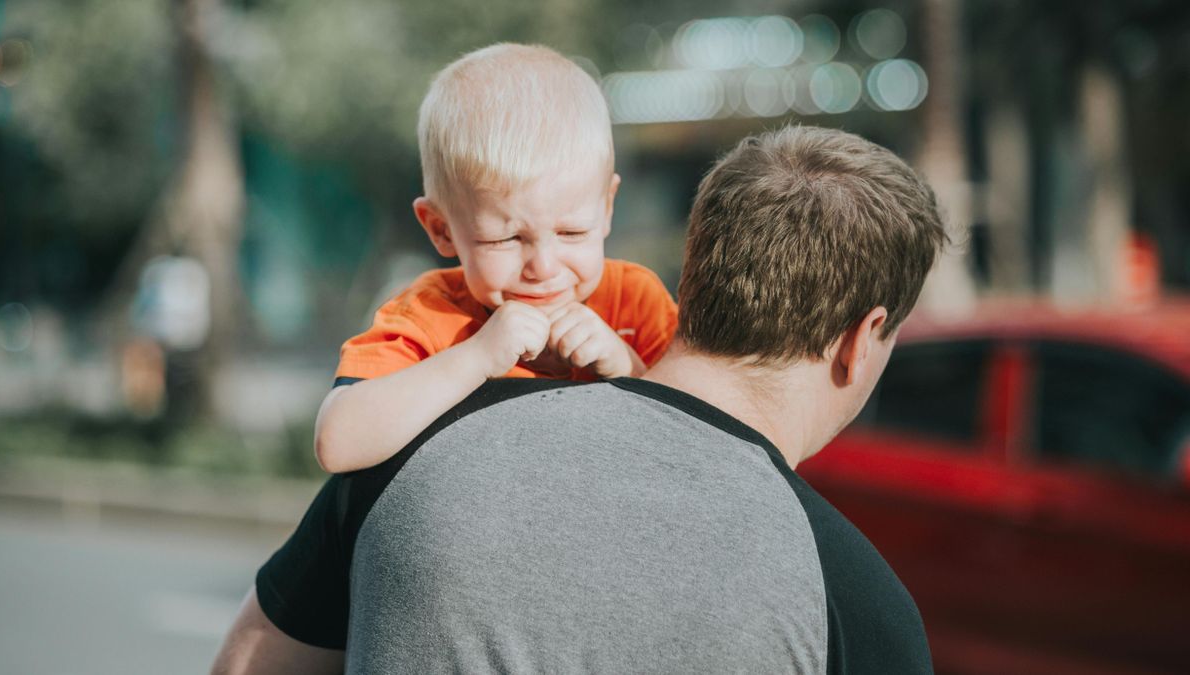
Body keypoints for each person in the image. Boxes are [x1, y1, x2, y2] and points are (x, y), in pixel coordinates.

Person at [213, 124, 947, 674]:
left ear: (692, 275)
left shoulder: (419, 446)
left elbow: (247, 663)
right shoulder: (858, 604)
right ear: (862, 337)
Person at [313, 43, 678, 473]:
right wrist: (475, 357)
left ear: (607, 208)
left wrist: (627, 367)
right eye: (505, 239)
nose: (543, 267)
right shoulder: (430, 316)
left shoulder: (635, 302)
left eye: (571, 232)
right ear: (441, 229)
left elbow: (704, 442)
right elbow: (338, 444)